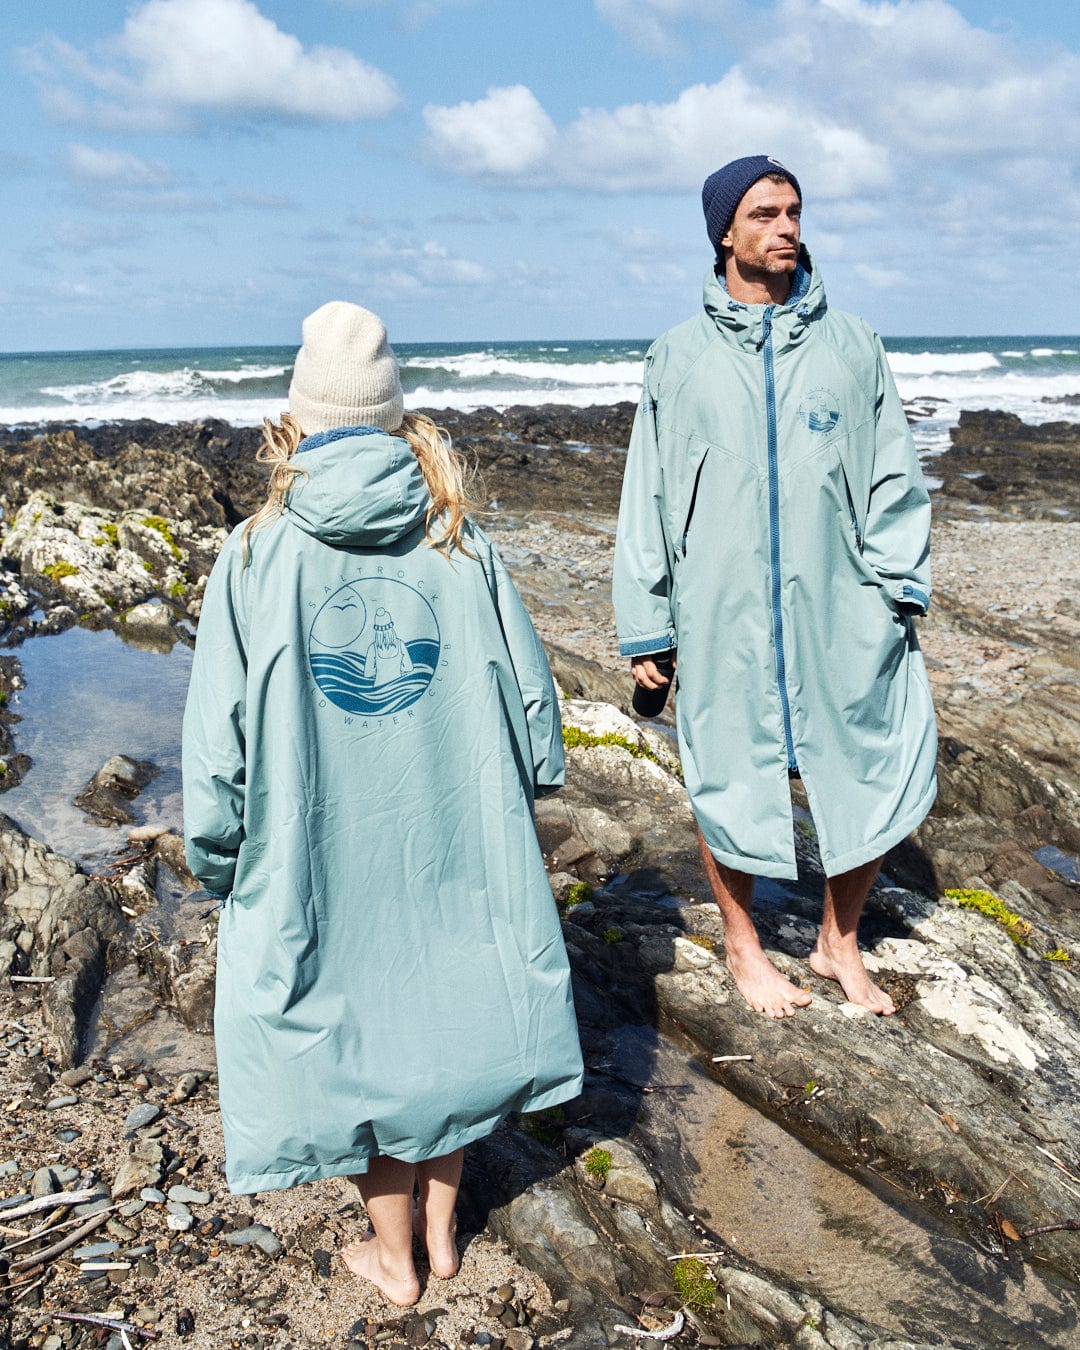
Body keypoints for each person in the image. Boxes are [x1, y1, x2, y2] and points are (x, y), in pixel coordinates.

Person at [183, 301, 583, 1305]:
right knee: (444, 1011)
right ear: (396, 418)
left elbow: (215, 743)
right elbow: (534, 704)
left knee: (355, 1026)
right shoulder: (461, 538)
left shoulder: (254, 556)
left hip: (322, 844)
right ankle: (443, 1234)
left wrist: (221, 857)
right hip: (449, 825)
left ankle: (391, 1254)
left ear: (298, 421)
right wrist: (529, 780)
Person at [613, 155, 937, 1020]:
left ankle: (838, 942)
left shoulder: (851, 344)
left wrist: (900, 588)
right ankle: (744, 946)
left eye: (793, 212)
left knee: (871, 764)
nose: (786, 227)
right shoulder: (677, 358)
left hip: (841, 602)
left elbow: (895, 478)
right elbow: (646, 495)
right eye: (764, 214)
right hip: (720, 609)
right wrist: (647, 626)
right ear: (725, 231)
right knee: (729, 774)